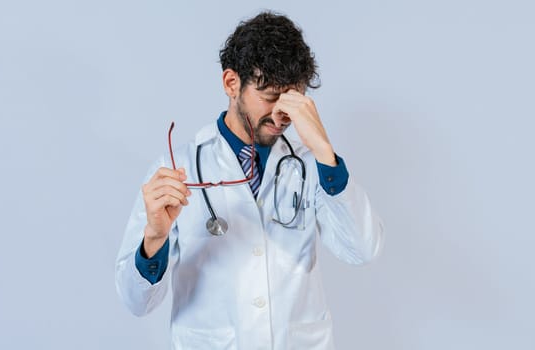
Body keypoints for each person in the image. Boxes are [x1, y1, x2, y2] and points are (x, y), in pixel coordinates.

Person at [116, 11, 384, 350]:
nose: (281, 115)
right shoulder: (177, 168)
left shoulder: (313, 163)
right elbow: (136, 302)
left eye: (293, 100)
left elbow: (362, 250)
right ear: (231, 83)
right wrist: (154, 238)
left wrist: (324, 151)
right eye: (271, 97)